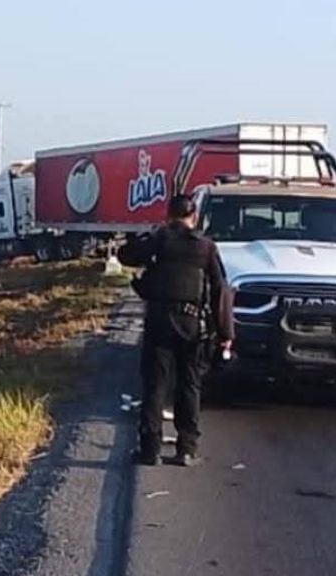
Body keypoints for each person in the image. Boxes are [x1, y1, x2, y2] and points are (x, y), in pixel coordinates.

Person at [118, 195, 233, 467]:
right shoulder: (206, 248)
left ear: (169, 215)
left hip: (159, 320)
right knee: (189, 385)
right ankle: (187, 449)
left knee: (155, 384)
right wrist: (226, 332)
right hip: (192, 324)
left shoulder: (160, 239)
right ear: (193, 217)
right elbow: (220, 290)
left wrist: (143, 237)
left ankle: (150, 450)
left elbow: (127, 256)